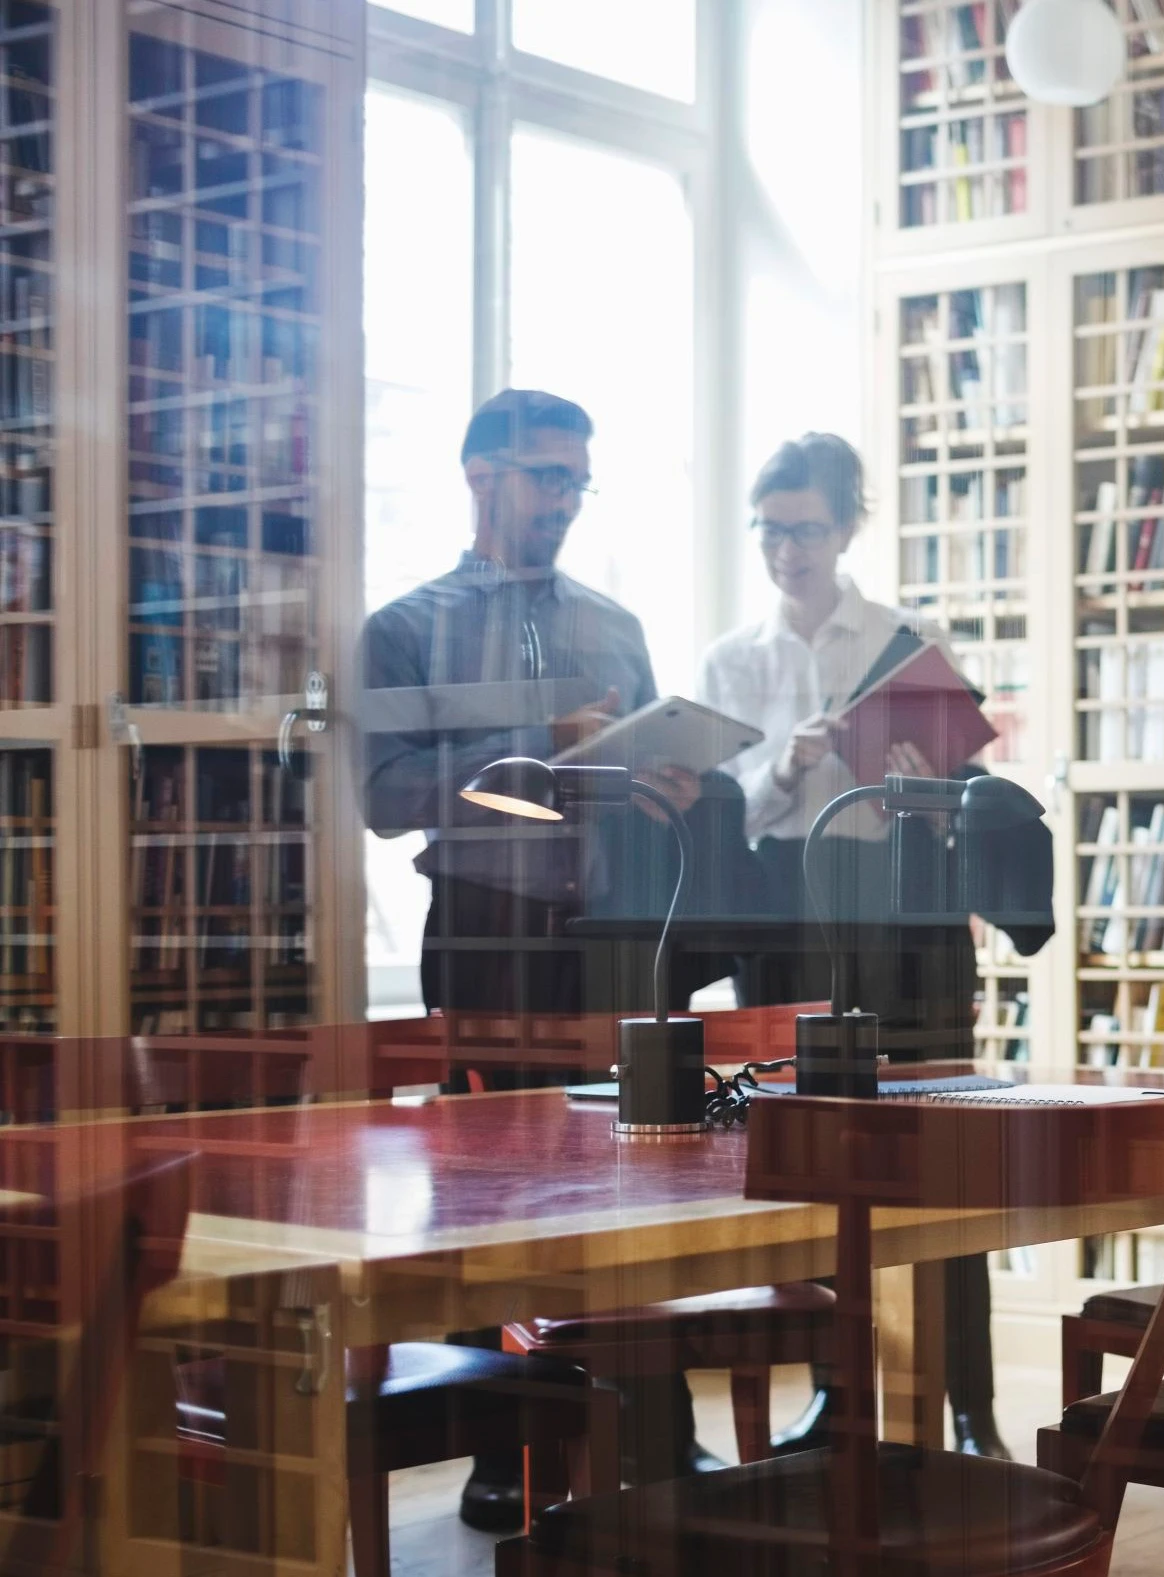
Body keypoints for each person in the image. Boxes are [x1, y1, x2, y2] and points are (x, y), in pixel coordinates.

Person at [359, 388, 746, 1524]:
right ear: (480, 474)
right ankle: (501, 1447)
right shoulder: (404, 626)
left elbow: (612, 775)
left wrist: (667, 779)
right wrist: (540, 745)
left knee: (642, 1175)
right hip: (485, 931)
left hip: (616, 930)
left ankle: (659, 1437)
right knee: (496, 1188)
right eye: (546, 476)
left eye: (578, 479)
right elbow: (384, 798)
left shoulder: (615, 625)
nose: (565, 500)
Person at [693, 431, 1011, 1460]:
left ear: (847, 527)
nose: (787, 549)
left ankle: (969, 1400)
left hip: (899, 921)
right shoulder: (732, 659)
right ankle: (840, 1393)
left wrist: (926, 785)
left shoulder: (900, 640)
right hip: (787, 919)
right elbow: (721, 818)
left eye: (807, 529)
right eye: (769, 530)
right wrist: (782, 770)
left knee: (941, 1153)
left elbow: (966, 801)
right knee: (811, 1159)